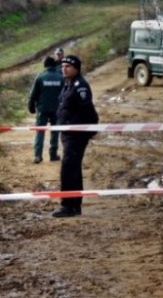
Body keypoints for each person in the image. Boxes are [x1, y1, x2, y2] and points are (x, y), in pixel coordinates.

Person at [53, 55, 99, 218]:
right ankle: (74, 205)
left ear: (76, 69)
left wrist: (89, 131)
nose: (64, 69)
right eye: (63, 66)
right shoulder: (68, 84)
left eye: (68, 66)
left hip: (76, 135)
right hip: (68, 134)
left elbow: (89, 112)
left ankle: (68, 205)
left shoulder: (80, 86)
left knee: (68, 169)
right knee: (73, 169)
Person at [27, 56, 63, 163]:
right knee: (55, 131)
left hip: (42, 110)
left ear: (45, 65)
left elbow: (33, 95)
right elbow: (66, 95)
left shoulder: (40, 77)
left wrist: (31, 107)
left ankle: (38, 156)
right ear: (54, 65)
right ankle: (53, 154)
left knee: (40, 131)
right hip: (57, 109)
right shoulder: (61, 78)